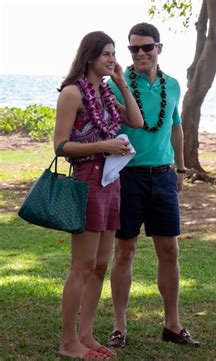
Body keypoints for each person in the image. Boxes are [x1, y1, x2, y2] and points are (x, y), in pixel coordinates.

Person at [106, 22, 199, 348]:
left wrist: (181, 168)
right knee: (125, 251)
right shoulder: (116, 84)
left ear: (159, 48)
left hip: (162, 177)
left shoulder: (172, 86)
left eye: (147, 47)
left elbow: (176, 128)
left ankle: (172, 324)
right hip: (126, 176)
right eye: (133, 49)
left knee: (169, 251)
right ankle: (119, 325)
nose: (141, 53)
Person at [54, 31, 143, 359]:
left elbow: (136, 120)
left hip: (111, 180)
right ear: (90, 56)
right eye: (106, 54)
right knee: (83, 264)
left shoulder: (105, 93)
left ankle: (86, 335)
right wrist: (103, 146)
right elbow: (61, 146)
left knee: (101, 263)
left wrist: (121, 84)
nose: (113, 59)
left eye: (114, 53)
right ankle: (67, 342)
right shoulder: (72, 93)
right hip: (87, 180)